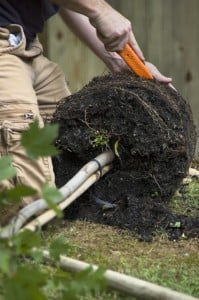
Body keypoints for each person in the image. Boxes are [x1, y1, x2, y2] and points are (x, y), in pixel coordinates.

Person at [0, 0, 172, 221]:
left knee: (76, 146)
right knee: (28, 205)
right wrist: (100, 10)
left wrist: (119, 59)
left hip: (26, 43)